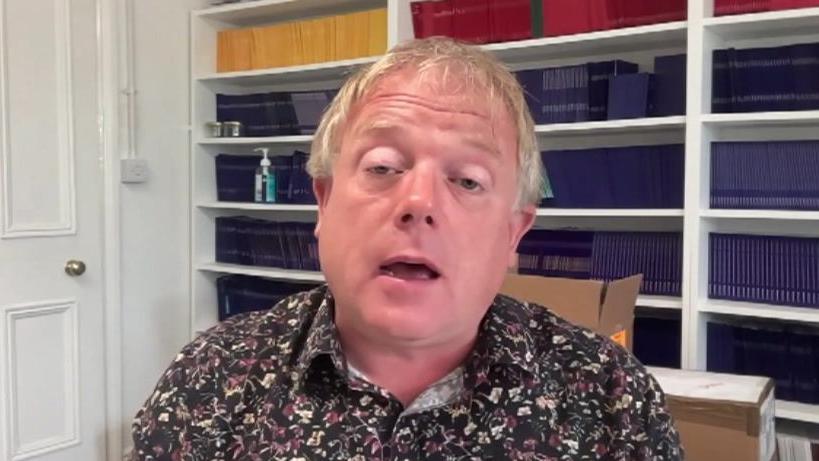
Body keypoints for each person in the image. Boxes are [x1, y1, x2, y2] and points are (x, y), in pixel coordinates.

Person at [132, 37, 682, 460]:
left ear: (514, 231)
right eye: (383, 168)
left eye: (467, 180)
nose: (418, 202)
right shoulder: (212, 376)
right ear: (323, 203)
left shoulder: (612, 398)